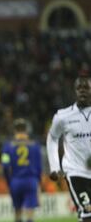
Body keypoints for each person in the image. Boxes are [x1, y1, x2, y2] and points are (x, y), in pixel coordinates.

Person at [46, 73, 91, 222]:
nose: (82, 90)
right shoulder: (63, 116)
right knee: (88, 213)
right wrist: (54, 166)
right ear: (75, 91)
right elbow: (52, 138)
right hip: (75, 171)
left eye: (86, 87)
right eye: (79, 88)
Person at [1, 118, 42, 222]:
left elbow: (5, 165)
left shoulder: (7, 146)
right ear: (27, 130)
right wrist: (38, 183)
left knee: (17, 211)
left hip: (15, 180)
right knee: (30, 212)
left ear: (14, 130)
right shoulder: (35, 145)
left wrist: (9, 181)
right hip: (31, 180)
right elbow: (39, 167)